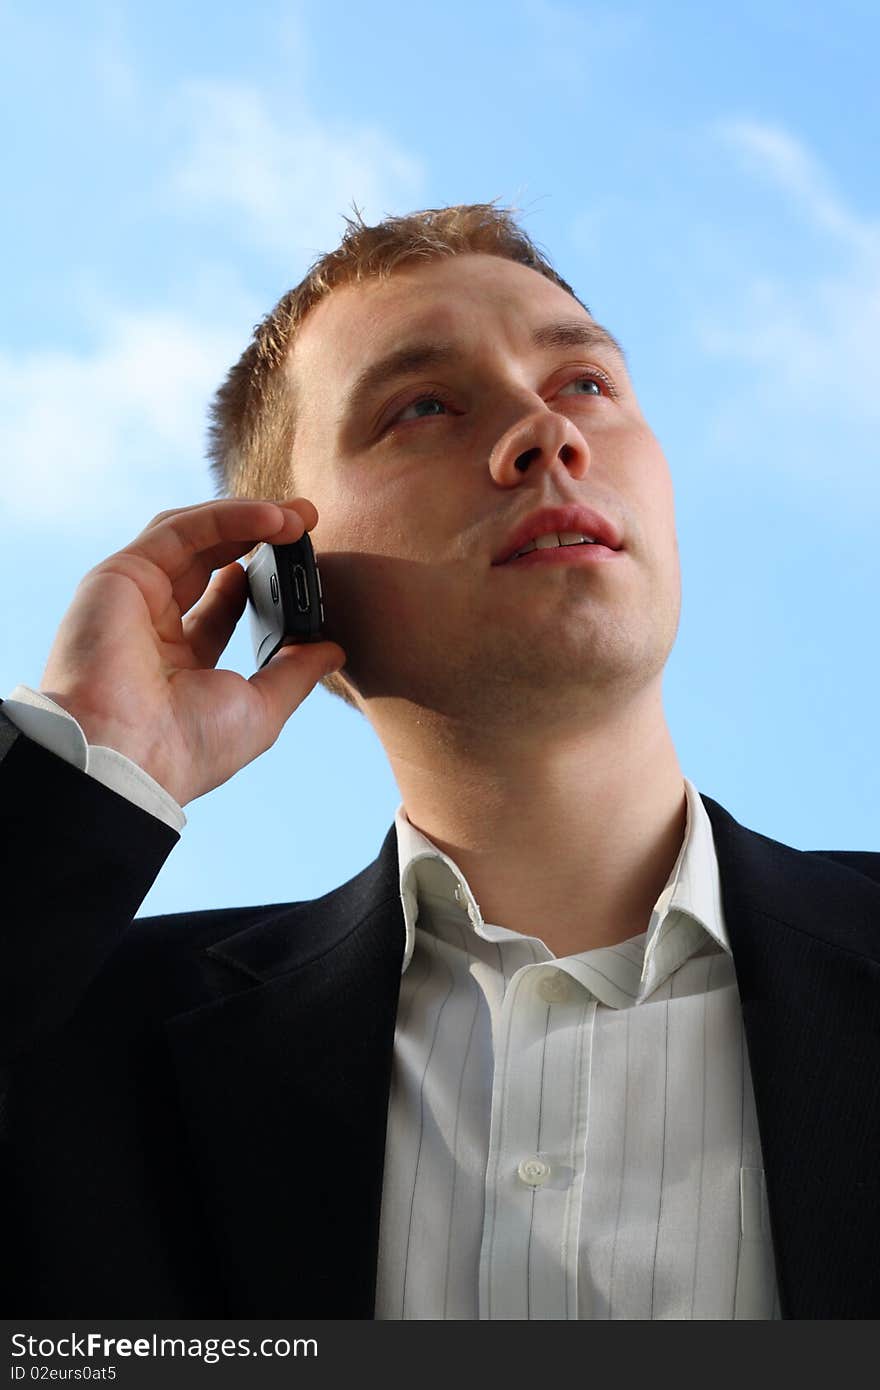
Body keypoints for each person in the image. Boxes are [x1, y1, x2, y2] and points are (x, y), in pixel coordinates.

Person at [2, 203, 878, 1320]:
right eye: (423, 406)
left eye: (585, 385)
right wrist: (85, 769)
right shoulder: (78, 1048)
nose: (545, 434)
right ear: (282, 582)